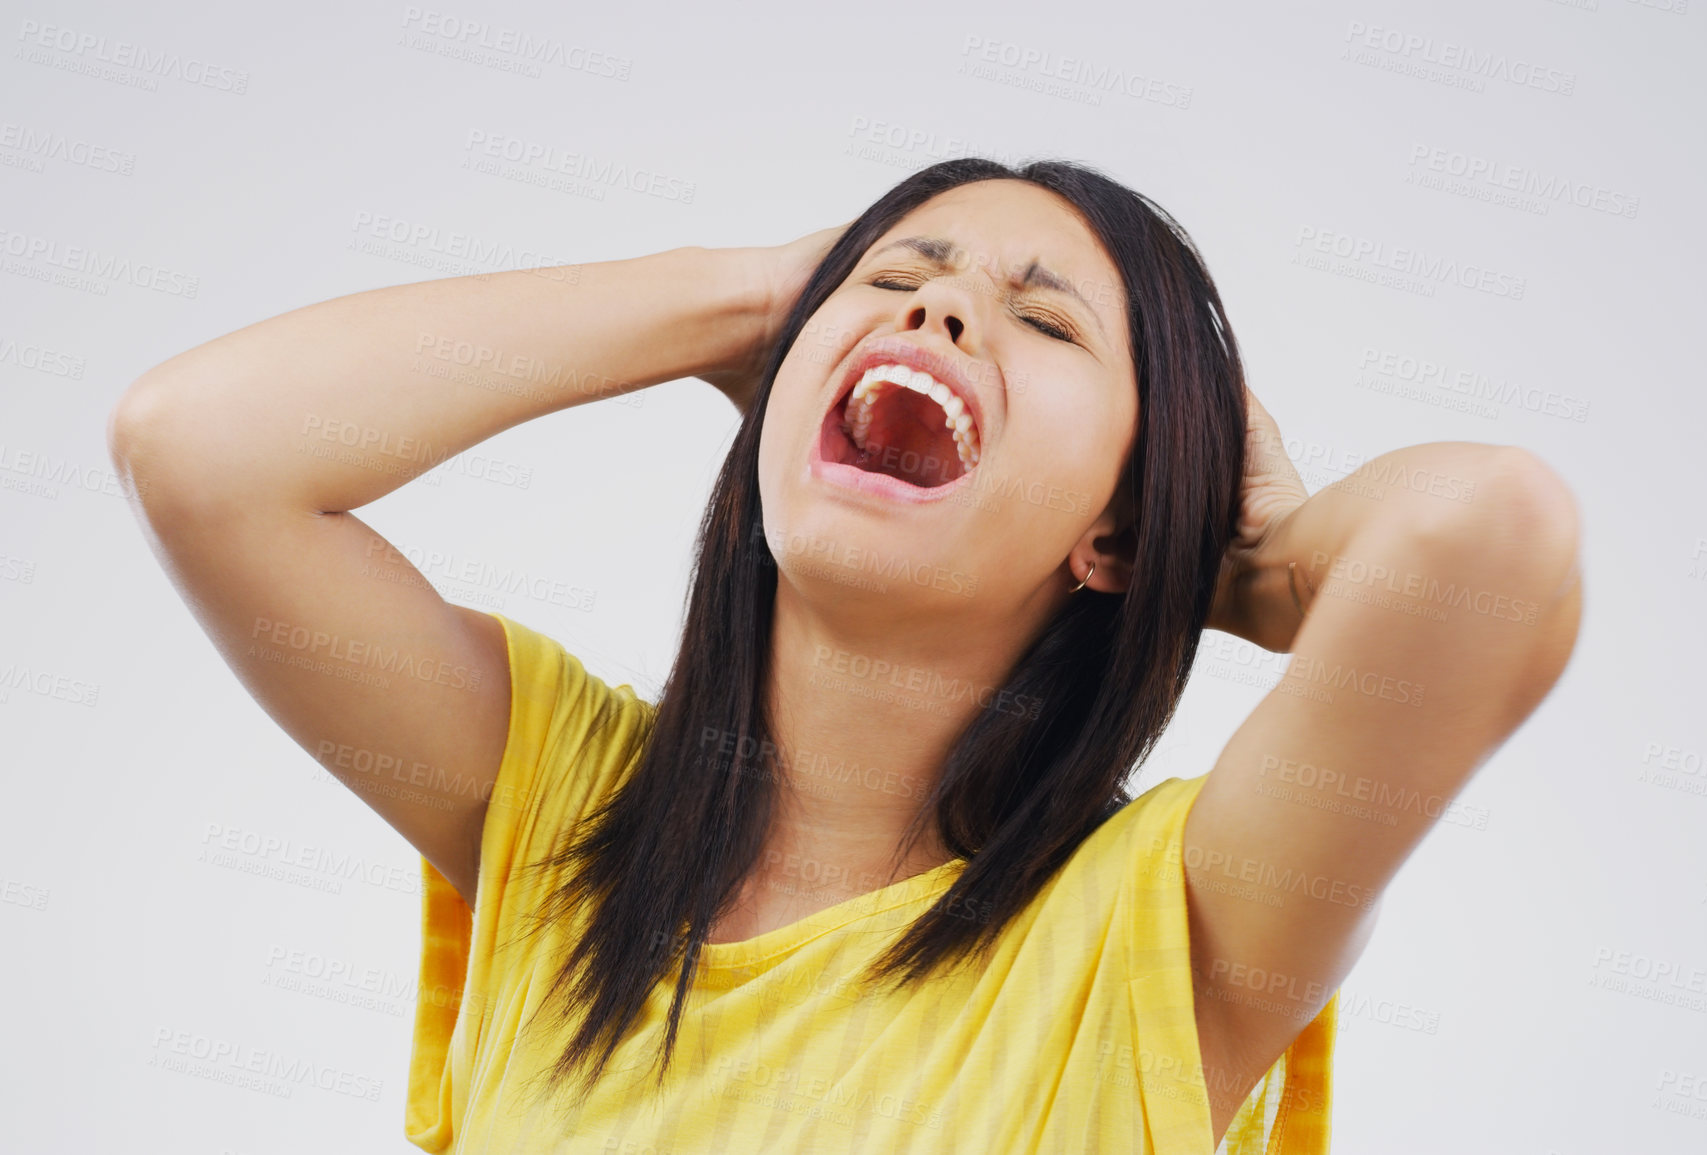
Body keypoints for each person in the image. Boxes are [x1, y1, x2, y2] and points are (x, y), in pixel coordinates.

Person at [108, 157, 1582, 1153]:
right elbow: (200, 447)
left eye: (1044, 321)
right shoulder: (555, 810)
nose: (940, 308)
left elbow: (1492, 538)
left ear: (1115, 536)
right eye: (894, 281)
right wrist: (747, 298)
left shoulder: (1164, 937)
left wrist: (1248, 554)